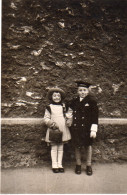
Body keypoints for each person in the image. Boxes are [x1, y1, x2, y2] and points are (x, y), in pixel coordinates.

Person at [67, 81, 98, 176]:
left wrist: (93, 129)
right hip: (76, 128)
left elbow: (95, 117)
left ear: (88, 91)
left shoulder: (92, 102)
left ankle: (88, 165)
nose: (82, 92)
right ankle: (78, 164)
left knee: (88, 146)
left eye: (84, 90)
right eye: (80, 90)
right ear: (77, 91)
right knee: (77, 146)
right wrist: (69, 119)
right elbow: (70, 112)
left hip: (87, 129)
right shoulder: (74, 101)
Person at [43, 87, 71, 173]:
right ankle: (54, 164)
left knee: (61, 148)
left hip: (62, 128)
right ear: (51, 97)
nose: (56, 97)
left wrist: (69, 118)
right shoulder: (49, 107)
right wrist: (51, 124)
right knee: (54, 147)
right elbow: (46, 118)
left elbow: (68, 115)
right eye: (54, 96)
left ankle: (60, 164)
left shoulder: (64, 106)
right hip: (54, 129)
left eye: (58, 96)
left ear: (61, 97)